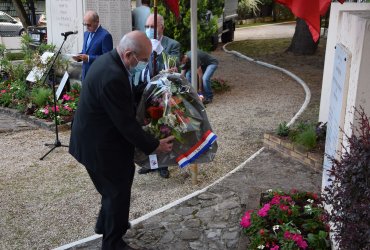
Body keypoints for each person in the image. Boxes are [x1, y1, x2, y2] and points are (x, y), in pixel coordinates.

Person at [69, 30, 175, 250]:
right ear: (129, 55)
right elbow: (126, 124)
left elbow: (127, 95)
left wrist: (158, 84)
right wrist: (155, 145)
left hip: (96, 140)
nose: (144, 63)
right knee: (117, 191)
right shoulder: (112, 75)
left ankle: (105, 223)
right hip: (99, 146)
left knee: (112, 190)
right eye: (143, 60)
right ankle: (112, 242)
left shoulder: (112, 61)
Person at [136, 13, 181, 178]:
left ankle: (163, 164)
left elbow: (173, 66)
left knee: (163, 128)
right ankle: (150, 162)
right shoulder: (144, 43)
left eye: (152, 27)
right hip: (146, 91)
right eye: (146, 27)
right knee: (147, 128)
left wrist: (160, 51)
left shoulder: (172, 44)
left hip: (164, 93)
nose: (149, 30)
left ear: (161, 27)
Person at [72, 11, 113, 81]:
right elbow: (86, 51)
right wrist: (79, 57)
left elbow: (107, 59)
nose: (87, 27)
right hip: (85, 75)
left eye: (89, 25)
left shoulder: (105, 36)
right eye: (85, 24)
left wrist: (88, 58)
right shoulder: (86, 34)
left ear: (96, 22)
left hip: (97, 76)